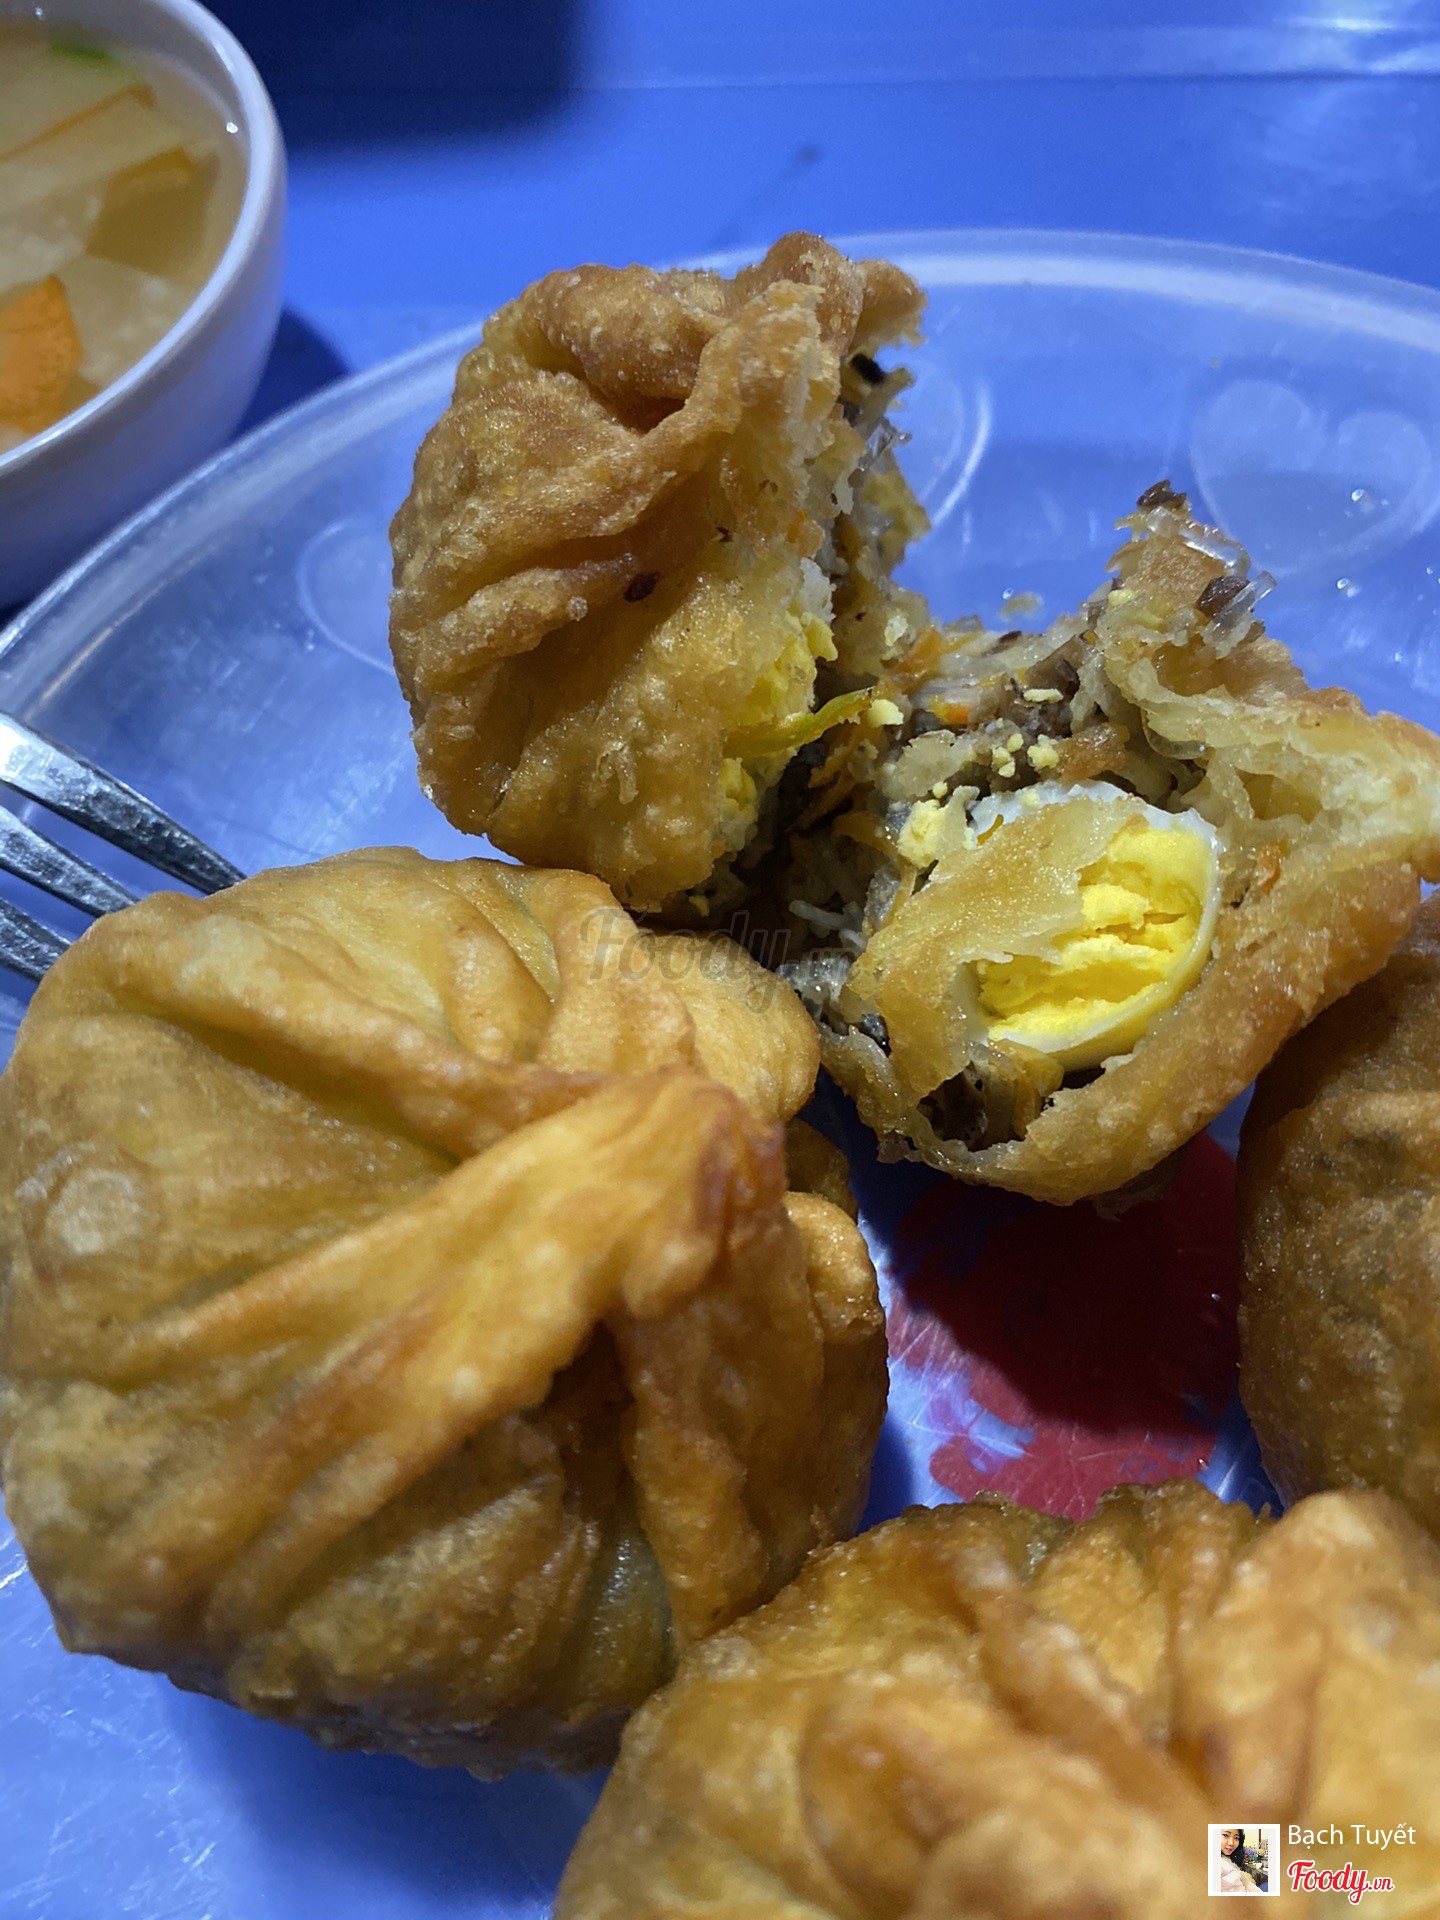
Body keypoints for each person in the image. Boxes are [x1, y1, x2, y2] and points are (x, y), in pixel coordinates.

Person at [1217, 1828, 1265, 1894]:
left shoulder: (1227, 1856)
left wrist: (1256, 1851)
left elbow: (1243, 1879)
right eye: (1225, 1835)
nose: (1231, 1843)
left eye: (1236, 1838)